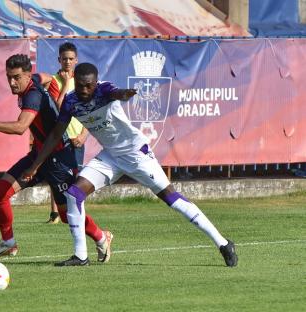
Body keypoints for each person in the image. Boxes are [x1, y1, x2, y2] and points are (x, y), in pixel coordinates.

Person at [22, 62, 238, 267]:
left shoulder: (104, 90)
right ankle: (80, 256)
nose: (85, 89)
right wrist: (34, 166)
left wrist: (124, 94)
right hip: (110, 157)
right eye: (80, 85)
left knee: (171, 198)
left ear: (96, 83)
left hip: (136, 154)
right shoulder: (70, 102)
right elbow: (54, 136)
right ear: (75, 82)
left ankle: (223, 243)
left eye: (89, 85)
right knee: (74, 194)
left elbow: (116, 93)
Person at [0, 55, 112, 264]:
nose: (12, 82)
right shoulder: (34, 79)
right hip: (39, 154)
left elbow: (20, 128)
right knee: (0, 192)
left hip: (59, 159)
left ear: (27, 75)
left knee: (65, 215)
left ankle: (101, 236)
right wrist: (53, 87)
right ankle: (8, 242)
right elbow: (47, 78)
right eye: (8, 77)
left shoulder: (32, 96)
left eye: (16, 77)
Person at [45, 42, 88, 224]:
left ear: (76, 60)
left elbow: (89, 111)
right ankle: (56, 213)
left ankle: (78, 212)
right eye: (64, 59)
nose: (68, 62)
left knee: (77, 178)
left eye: (71, 59)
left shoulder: (83, 81)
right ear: (59, 60)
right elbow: (58, 107)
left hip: (77, 138)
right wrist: (64, 85)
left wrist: (83, 135)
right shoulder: (54, 81)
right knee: (57, 177)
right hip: (61, 137)